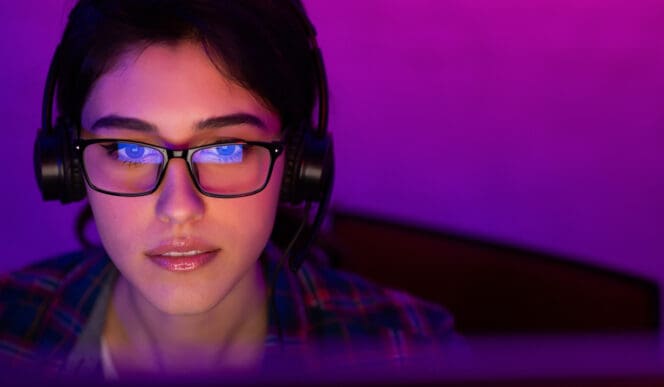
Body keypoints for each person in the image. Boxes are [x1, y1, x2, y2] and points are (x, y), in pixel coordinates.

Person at [0, 0, 457, 380]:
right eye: (129, 151)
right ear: (68, 163)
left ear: (298, 164)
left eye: (227, 150)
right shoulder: (9, 329)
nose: (179, 208)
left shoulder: (409, 351)